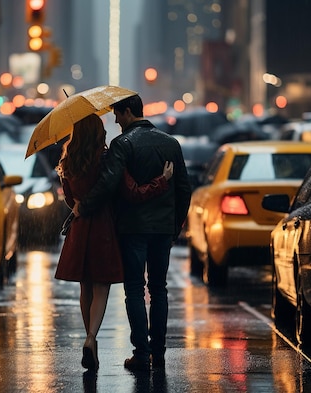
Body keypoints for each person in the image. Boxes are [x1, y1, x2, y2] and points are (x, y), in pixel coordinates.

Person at [73, 95, 192, 372]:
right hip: (163, 229)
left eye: (117, 114)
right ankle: (158, 352)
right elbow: (184, 189)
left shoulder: (122, 145)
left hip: (132, 229)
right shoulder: (171, 144)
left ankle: (141, 353)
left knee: (135, 291)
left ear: (128, 112)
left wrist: (83, 207)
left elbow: (108, 185)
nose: (115, 120)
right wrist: (174, 227)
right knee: (159, 289)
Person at [55, 114, 173, 371]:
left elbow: (68, 196)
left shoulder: (68, 159)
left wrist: (78, 207)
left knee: (85, 287)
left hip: (79, 228)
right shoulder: (106, 159)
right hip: (103, 227)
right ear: (98, 133)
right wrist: (160, 182)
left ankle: (90, 340)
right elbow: (129, 190)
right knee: (101, 287)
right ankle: (91, 337)